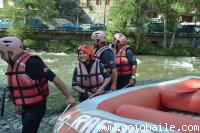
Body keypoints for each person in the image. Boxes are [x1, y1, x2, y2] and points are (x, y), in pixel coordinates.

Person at [0, 37, 75, 133]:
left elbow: (56, 79)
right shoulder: (12, 65)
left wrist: (69, 96)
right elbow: (15, 87)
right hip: (24, 106)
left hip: (36, 106)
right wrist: (16, 103)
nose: (1, 56)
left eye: (2, 53)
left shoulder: (33, 63)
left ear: (10, 52)